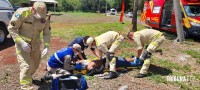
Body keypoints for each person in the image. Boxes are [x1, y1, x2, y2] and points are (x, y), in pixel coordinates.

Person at [7, 2, 51, 89]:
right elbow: (12, 28)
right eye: (39, 14)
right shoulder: (22, 13)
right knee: (26, 66)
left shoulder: (45, 17)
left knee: (35, 64)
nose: (41, 17)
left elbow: (47, 33)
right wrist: (22, 43)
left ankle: (28, 76)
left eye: (43, 14)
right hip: (22, 44)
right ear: (33, 9)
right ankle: (26, 86)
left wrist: (46, 46)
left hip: (35, 45)